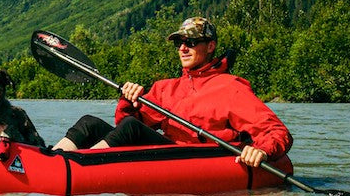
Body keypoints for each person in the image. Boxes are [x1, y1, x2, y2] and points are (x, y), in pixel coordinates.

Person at [52, 17, 293, 167]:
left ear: (210, 46)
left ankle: (77, 167)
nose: (183, 48)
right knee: (89, 123)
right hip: (167, 153)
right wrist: (129, 100)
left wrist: (261, 150)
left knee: (131, 129)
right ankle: (51, 158)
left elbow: (276, 131)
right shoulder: (165, 88)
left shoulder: (230, 88)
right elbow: (125, 125)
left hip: (199, 159)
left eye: (191, 42)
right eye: (179, 43)